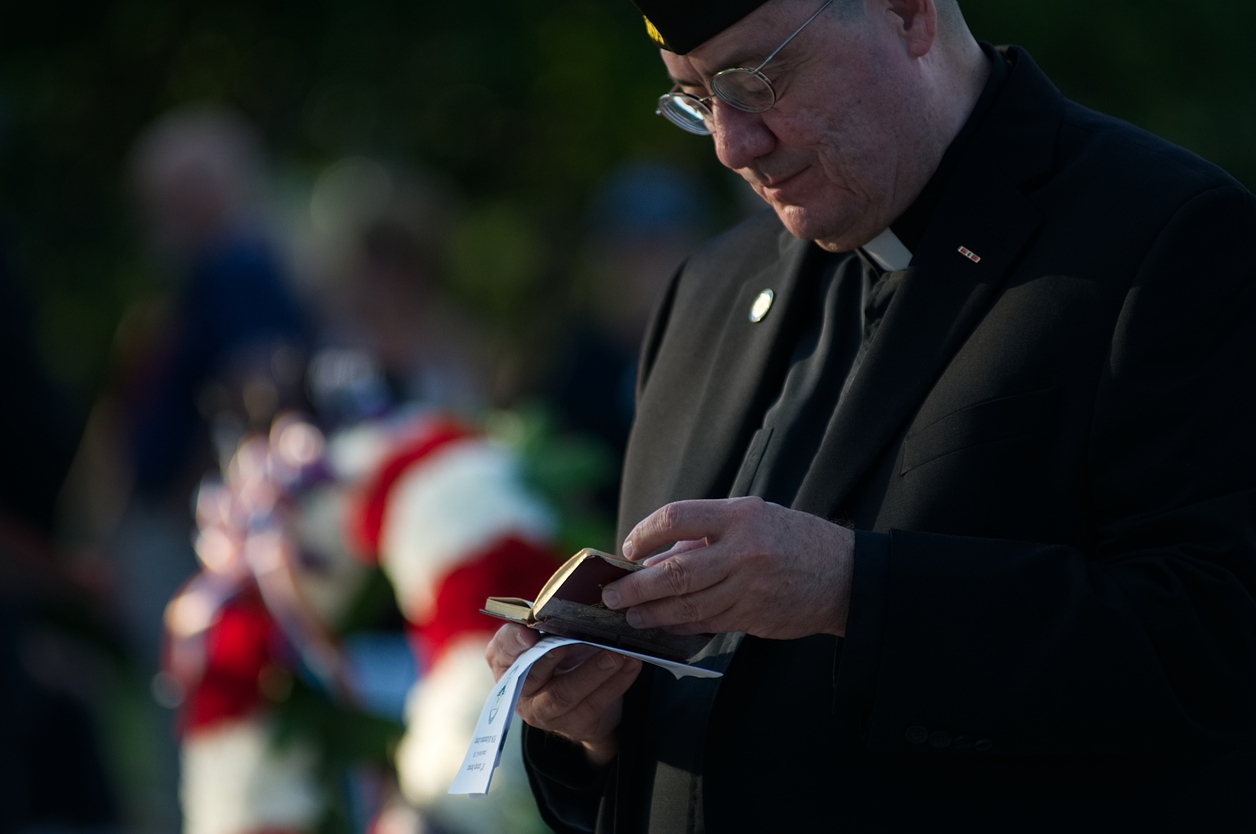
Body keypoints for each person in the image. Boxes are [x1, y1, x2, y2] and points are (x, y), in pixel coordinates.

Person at [486, 0, 1256, 830]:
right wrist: (592, 727)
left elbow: (1213, 643)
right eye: (700, 99)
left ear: (906, 12)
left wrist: (853, 588)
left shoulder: (1168, 237)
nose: (732, 145)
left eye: (758, 78)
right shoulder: (707, 290)